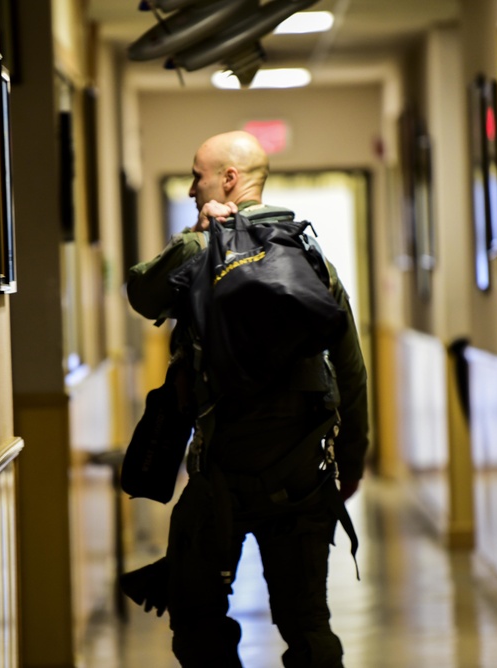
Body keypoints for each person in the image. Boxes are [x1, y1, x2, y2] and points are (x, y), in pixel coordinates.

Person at [125, 130, 369, 667]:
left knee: (198, 617)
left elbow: (142, 294)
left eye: (197, 176)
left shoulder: (198, 249)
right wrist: (349, 464)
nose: (192, 188)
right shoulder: (311, 258)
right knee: (307, 622)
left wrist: (197, 235)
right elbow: (350, 371)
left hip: (221, 477)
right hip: (303, 475)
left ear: (228, 180)